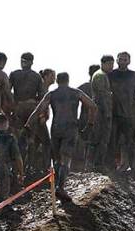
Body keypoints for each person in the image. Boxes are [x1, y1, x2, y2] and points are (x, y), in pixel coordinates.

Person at [27, 72, 96, 200]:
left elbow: (39, 110)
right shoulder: (76, 93)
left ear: (57, 81)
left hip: (56, 127)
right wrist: (90, 124)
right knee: (66, 158)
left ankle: (57, 186)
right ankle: (60, 187)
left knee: (58, 158)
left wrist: (28, 124)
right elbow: (92, 106)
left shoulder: (51, 94)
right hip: (70, 127)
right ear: (68, 80)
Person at [108, 52, 135, 171]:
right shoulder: (110, 75)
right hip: (114, 113)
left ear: (129, 61)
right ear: (117, 61)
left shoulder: (134, 76)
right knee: (113, 141)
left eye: (125, 59)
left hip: (129, 114)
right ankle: (113, 166)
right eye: (121, 59)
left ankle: (133, 167)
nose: (123, 61)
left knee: (131, 141)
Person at [0, 113, 23, 200]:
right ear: (6, 123)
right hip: (4, 169)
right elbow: (17, 157)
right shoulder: (9, 138)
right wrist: (21, 172)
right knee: (3, 195)